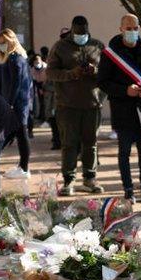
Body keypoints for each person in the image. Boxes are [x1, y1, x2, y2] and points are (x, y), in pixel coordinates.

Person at [97, 14, 141, 205]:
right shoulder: (110, 53)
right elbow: (102, 82)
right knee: (124, 152)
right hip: (122, 109)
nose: (133, 32)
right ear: (121, 29)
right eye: (129, 28)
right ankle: (128, 190)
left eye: (135, 28)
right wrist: (125, 90)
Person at [47, 16, 106, 196]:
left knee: (91, 143)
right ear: (72, 31)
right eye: (77, 33)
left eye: (83, 32)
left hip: (92, 103)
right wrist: (72, 73)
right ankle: (69, 180)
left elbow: (107, 73)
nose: (81, 35)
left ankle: (90, 178)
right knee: (69, 144)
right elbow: (51, 73)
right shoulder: (60, 46)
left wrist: (94, 71)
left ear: (88, 30)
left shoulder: (98, 46)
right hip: (67, 105)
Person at [0, 29, 33, 179]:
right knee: (18, 133)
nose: (2, 46)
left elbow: (15, 83)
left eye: (4, 42)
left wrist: (9, 103)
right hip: (19, 102)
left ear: (12, 41)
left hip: (16, 103)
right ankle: (22, 167)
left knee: (20, 134)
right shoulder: (19, 58)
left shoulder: (14, 58)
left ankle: (24, 168)